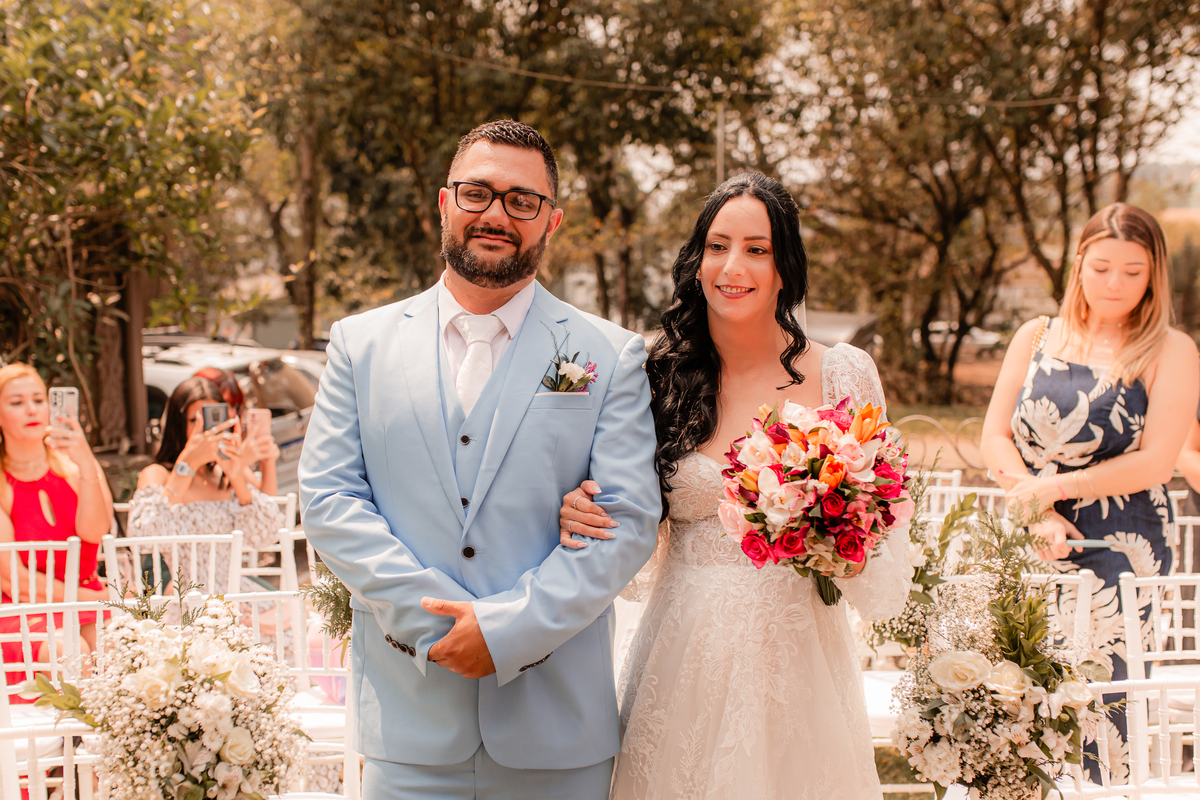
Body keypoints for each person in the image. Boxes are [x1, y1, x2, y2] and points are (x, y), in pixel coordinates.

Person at [298, 120, 660, 800]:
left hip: (557, 734)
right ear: (444, 203)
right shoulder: (360, 345)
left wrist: (506, 632)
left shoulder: (608, 356)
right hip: (409, 729)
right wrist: (439, 628)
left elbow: (627, 520)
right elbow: (329, 500)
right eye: (478, 193)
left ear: (551, 220)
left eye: (522, 200)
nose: (497, 214)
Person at [558, 173, 911, 799]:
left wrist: (830, 524)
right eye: (718, 245)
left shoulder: (844, 374)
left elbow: (884, 528)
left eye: (757, 248)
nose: (733, 265)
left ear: (784, 268)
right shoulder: (654, 375)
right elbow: (619, 504)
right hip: (684, 648)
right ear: (697, 262)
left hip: (800, 654)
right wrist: (583, 505)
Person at [981, 203, 1198, 769]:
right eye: (1101, 267)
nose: (1115, 284)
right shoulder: (1035, 335)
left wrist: (1052, 491)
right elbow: (994, 436)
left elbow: (1157, 461)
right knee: (1011, 694)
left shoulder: (1171, 349)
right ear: (1079, 263)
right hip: (1030, 534)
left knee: (1103, 702)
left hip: (1119, 546)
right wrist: (1037, 510)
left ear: (1154, 275)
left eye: (1133, 271)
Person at [0, 363, 113, 698]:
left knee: (121, 645)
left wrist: (86, 463)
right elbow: (12, 579)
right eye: (17, 402)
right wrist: (96, 598)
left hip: (88, 594)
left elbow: (95, 532)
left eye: (38, 399)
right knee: (70, 652)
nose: (32, 409)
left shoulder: (76, 467)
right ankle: (69, 745)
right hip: (27, 606)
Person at [127, 377, 284, 592]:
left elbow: (266, 536)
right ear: (178, 424)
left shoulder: (222, 475)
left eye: (210, 419)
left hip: (235, 593)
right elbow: (142, 537)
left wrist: (235, 474)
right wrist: (186, 464)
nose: (205, 430)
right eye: (194, 421)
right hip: (186, 598)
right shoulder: (159, 474)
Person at [194, 366, 281, 496]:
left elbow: (268, 503)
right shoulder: (194, 452)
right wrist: (241, 461)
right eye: (223, 403)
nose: (231, 412)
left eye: (234, 405)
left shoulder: (226, 449)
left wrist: (268, 461)